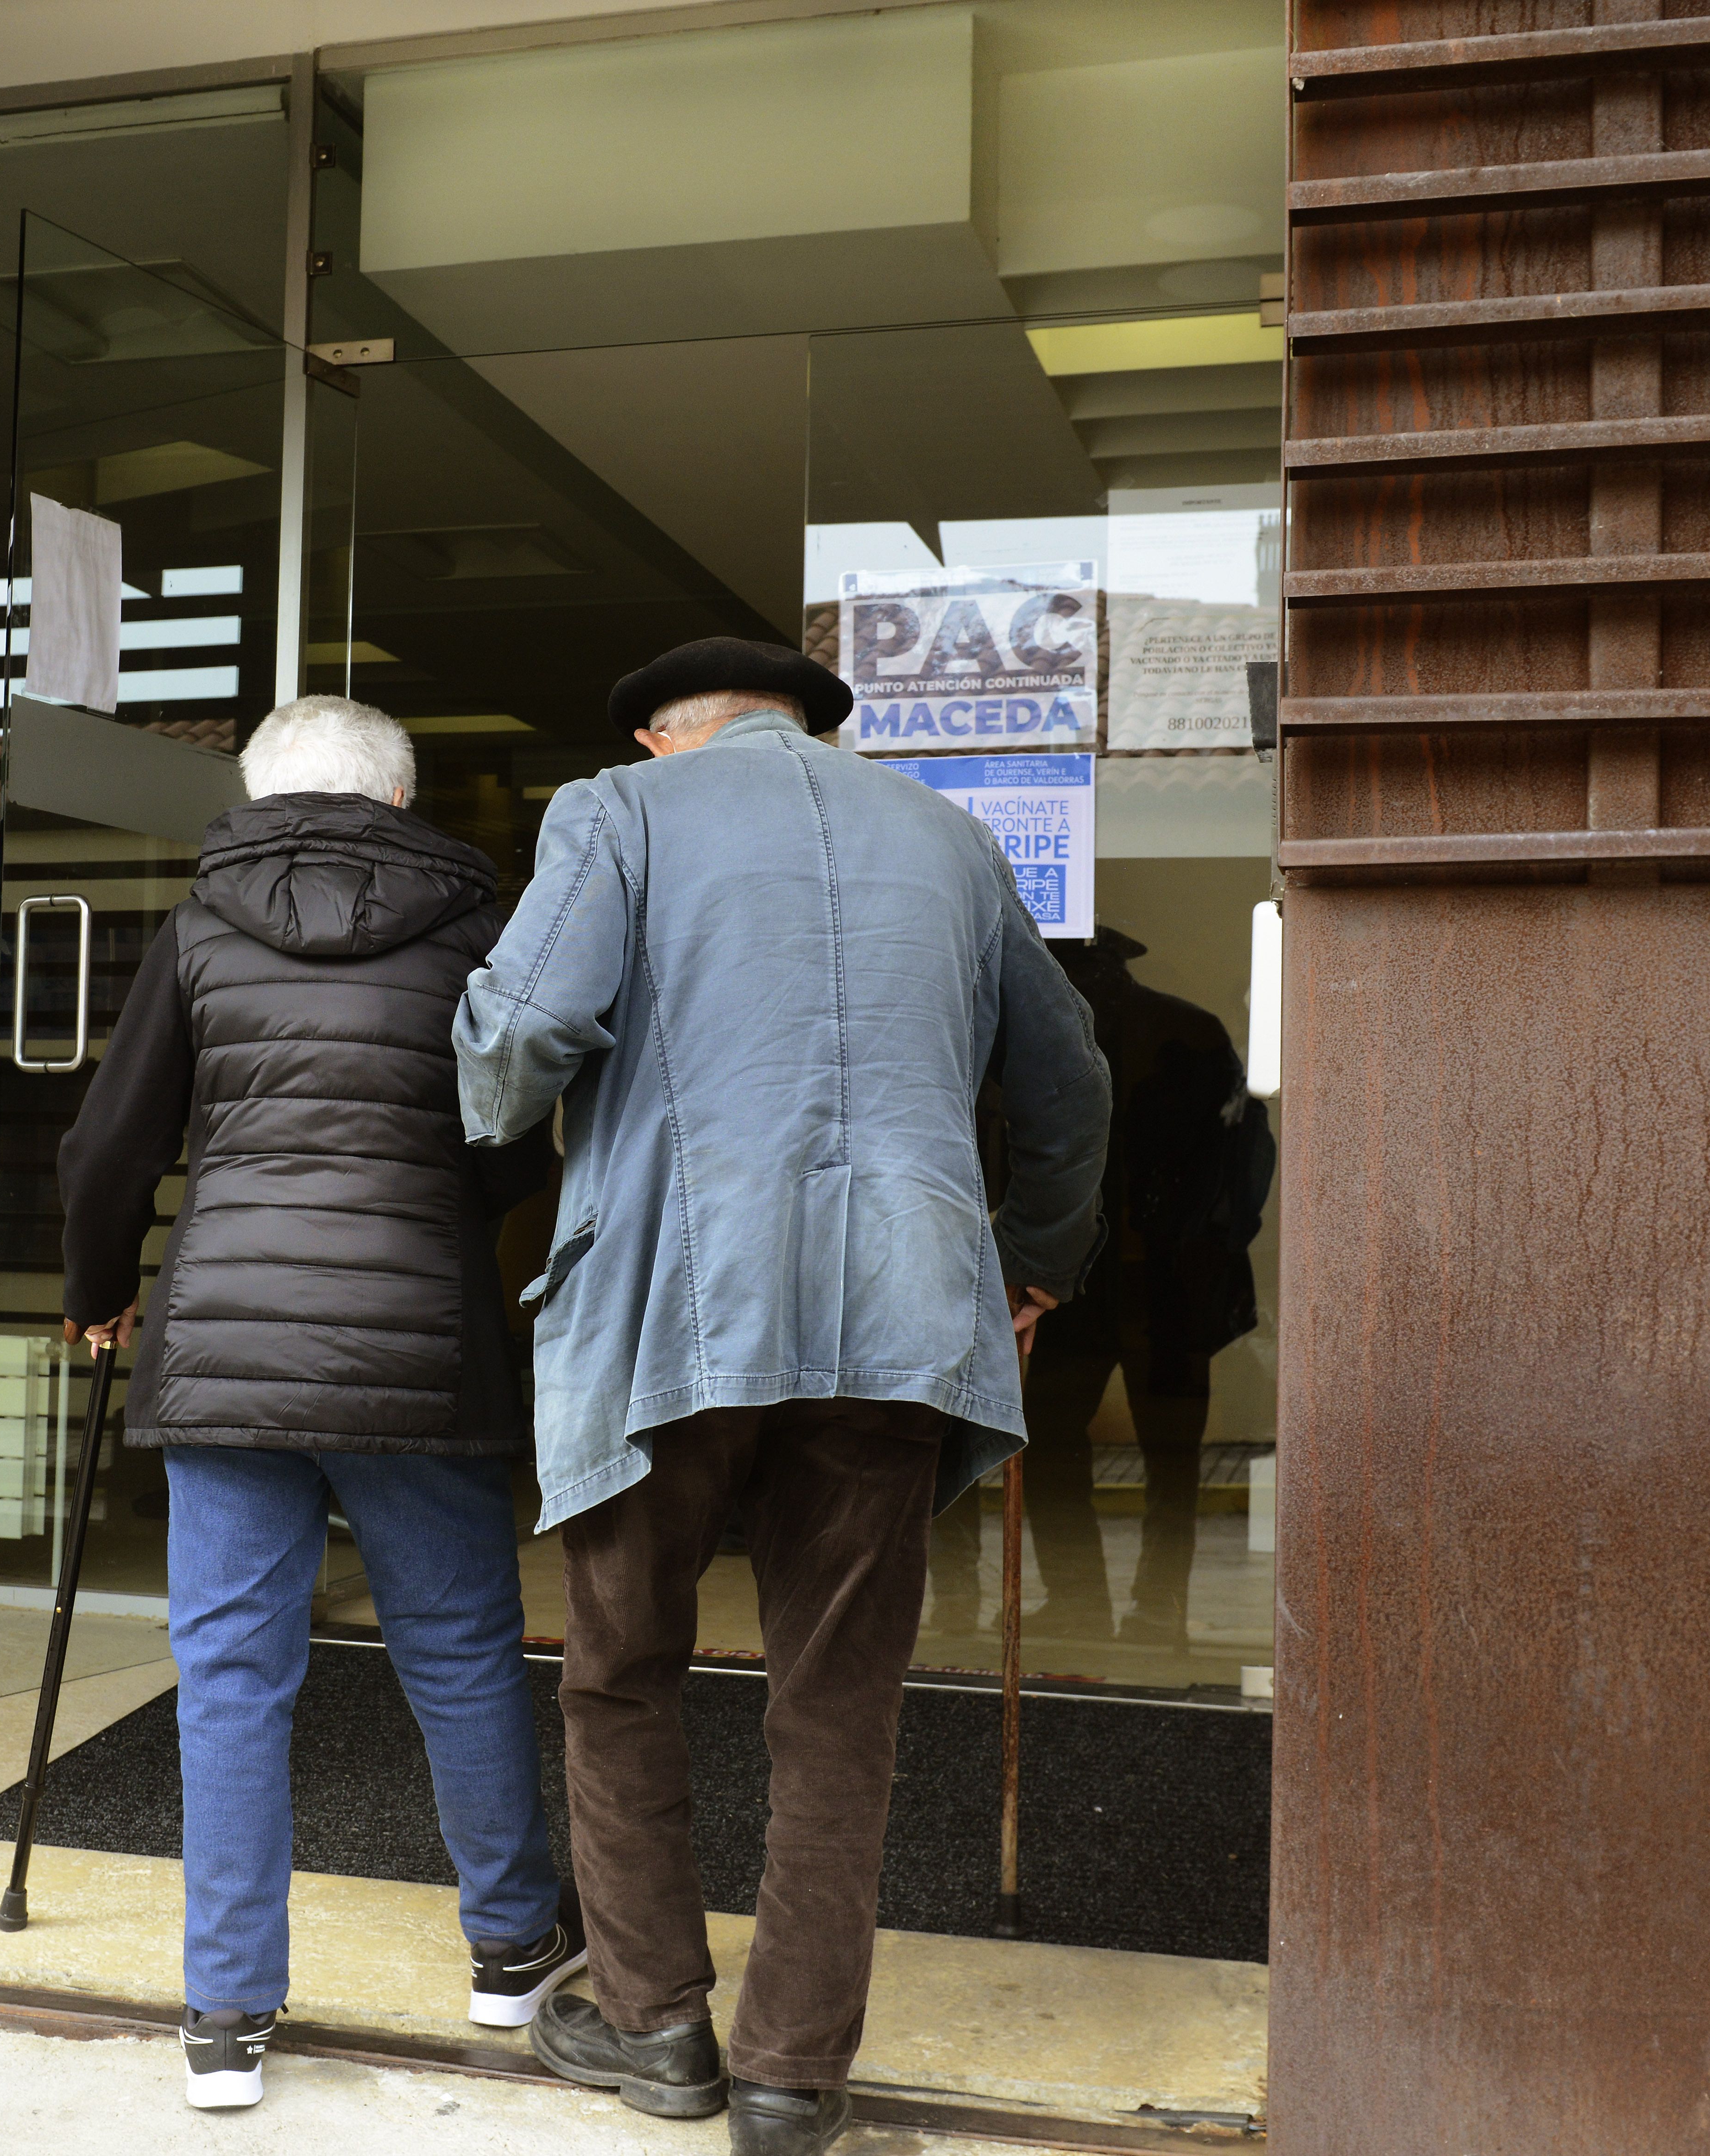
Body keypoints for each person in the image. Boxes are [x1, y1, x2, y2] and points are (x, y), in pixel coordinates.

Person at [453, 638, 1111, 2156]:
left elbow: (519, 1047)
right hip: (901, 1316)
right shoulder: (946, 838)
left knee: (621, 1667)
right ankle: (789, 2074)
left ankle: (656, 2023)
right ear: (814, 728)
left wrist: (485, 1083)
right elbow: (1069, 1079)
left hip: (670, 1314)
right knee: (839, 1700)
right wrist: (1033, 1262)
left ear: (655, 735)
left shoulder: (616, 811)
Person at [56, 694, 576, 2113]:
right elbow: (514, 1132)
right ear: (400, 799)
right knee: (460, 1650)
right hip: (415, 1342)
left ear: (259, 791)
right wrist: (442, 1209)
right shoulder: (483, 930)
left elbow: (109, 1144)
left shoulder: (200, 929)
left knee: (230, 1673)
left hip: (226, 1343)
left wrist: (101, 1287)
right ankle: (510, 1950)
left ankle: (223, 2014)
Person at [933, 928, 1275, 1657]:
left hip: (1118, 1283)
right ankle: (1129, 1603)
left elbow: (1241, 1160)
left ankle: (1103, 1599)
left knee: (1115, 1451)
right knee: (1126, 1454)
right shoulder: (1177, 1028)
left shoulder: (1052, 1041)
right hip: (1116, 1284)